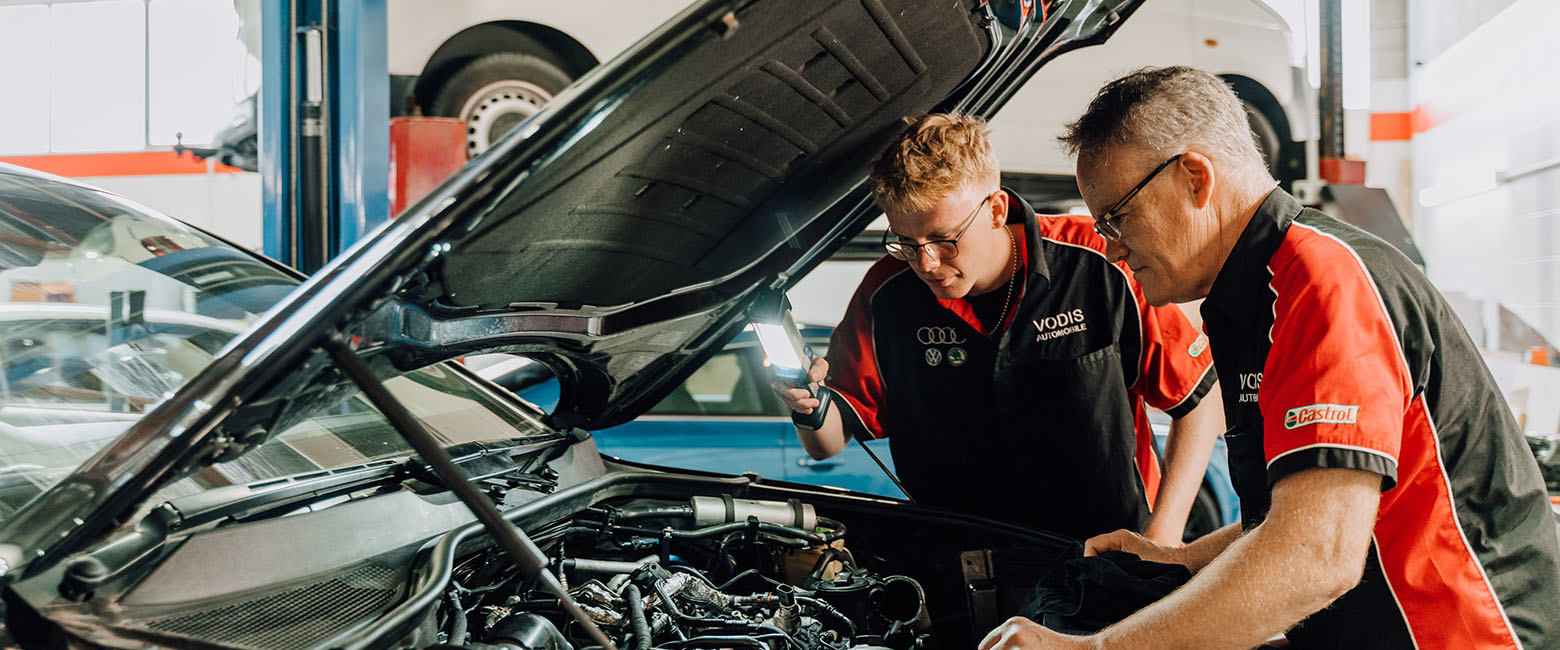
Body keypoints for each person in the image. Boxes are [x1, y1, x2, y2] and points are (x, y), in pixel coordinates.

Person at [979, 66, 1560, 650]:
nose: (1111, 246)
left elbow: (1318, 556)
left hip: (1462, 634)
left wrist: (1091, 649)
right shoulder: (1253, 296)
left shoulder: (1324, 283)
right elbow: (1296, 514)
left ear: (1195, 178)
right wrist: (1182, 560)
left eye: (1117, 216)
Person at [771, 113, 1226, 544]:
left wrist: (1163, 535)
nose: (926, 263)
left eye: (944, 240)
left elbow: (1199, 400)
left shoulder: (1098, 262)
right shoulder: (885, 293)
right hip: (954, 563)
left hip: (1103, 556)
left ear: (995, 209)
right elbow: (826, 444)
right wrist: (805, 403)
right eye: (906, 242)